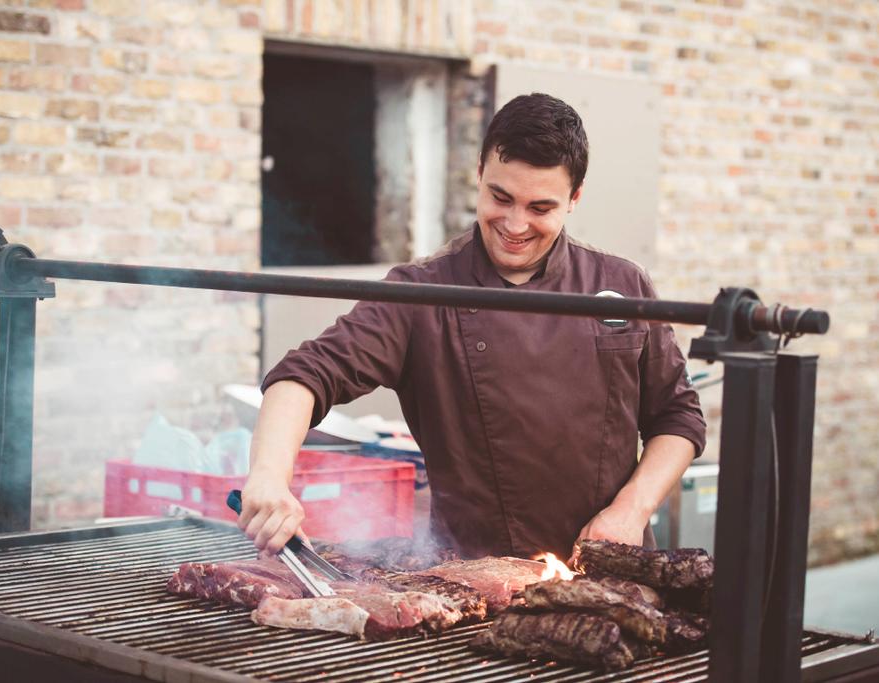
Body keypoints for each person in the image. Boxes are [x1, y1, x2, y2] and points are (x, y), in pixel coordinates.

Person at [238, 93, 705, 563]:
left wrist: (631, 509)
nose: (515, 224)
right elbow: (304, 375)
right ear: (480, 173)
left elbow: (678, 418)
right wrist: (269, 477)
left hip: (612, 574)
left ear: (574, 198)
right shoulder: (424, 292)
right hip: (475, 588)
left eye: (540, 208)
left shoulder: (621, 284)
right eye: (500, 198)